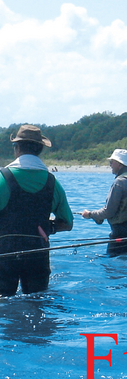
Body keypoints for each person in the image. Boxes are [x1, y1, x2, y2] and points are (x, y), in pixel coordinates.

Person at [0, 124, 73, 296]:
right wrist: (50, 227)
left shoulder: (3, 179)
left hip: (4, 254)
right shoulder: (52, 183)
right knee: (37, 302)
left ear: (16, 148)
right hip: (38, 253)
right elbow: (68, 223)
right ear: (40, 150)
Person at [82, 149, 127, 256]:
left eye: (112, 162)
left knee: (114, 269)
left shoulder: (120, 182)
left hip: (121, 235)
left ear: (119, 164)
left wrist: (90, 214)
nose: (110, 165)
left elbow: (109, 212)